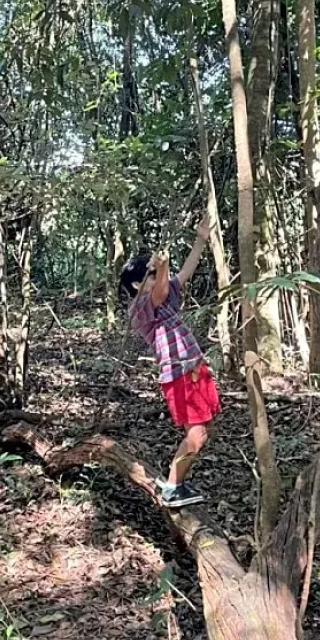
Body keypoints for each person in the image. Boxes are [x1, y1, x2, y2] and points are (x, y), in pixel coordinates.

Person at [120, 218, 220, 508]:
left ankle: (176, 481)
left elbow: (184, 274)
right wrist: (160, 266)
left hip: (194, 369)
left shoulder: (163, 298)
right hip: (179, 375)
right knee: (197, 434)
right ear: (138, 284)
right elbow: (160, 290)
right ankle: (173, 487)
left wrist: (201, 239)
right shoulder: (139, 307)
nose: (157, 278)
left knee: (202, 430)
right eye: (149, 275)